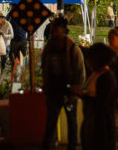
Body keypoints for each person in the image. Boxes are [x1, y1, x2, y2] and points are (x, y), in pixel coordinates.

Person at [41, 17, 86, 150]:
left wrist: (75, 89)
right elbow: (45, 68)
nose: (54, 33)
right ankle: (47, 146)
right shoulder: (49, 47)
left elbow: (80, 70)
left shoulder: (72, 48)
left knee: (71, 121)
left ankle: (71, 146)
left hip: (69, 91)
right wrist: (46, 85)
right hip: (54, 90)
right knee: (51, 122)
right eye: (53, 31)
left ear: (63, 31)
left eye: (56, 31)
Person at [71, 43, 118, 150]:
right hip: (91, 120)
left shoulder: (107, 77)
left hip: (101, 124)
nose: (88, 62)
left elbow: (103, 102)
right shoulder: (95, 74)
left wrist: (83, 95)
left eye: (91, 58)